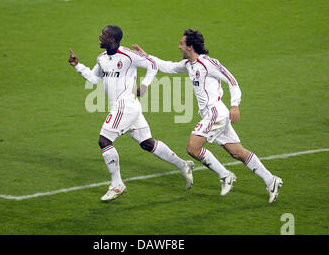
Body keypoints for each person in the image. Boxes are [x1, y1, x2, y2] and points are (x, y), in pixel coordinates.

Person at [132, 29, 283, 203]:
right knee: (237, 152)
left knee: (192, 148)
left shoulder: (208, 63)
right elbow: (167, 66)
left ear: (190, 47)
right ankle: (271, 180)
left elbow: (232, 81)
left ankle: (225, 175)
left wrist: (235, 104)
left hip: (215, 113)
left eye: (181, 43)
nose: (179, 46)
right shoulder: (189, 64)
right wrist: (146, 56)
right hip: (212, 115)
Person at [68, 25, 194, 201]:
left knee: (104, 140)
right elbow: (94, 78)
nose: (99, 37)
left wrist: (144, 85)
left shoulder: (128, 56)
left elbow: (152, 65)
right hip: (126, 107)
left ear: (112, 39)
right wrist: (77, 66)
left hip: (125, 106)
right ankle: (183, 165)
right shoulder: (102, 58)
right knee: (147, 144)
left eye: (103, 35)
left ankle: (117, 184)